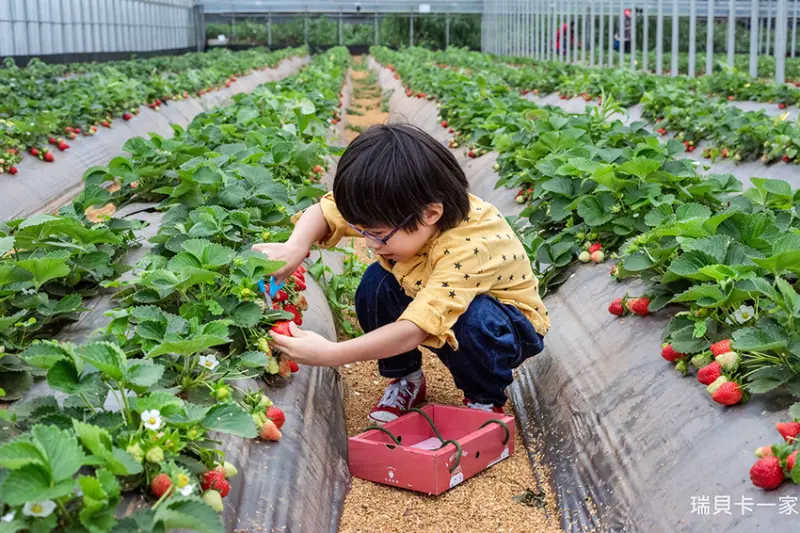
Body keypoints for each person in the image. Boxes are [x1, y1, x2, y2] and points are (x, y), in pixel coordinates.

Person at [252, 124, 550, 424]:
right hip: (426, 288)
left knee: (472, 322)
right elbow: (324, 211)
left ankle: (484, 400)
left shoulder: (469, 247)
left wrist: (331, 353)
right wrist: (295, 246)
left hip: (507, 326)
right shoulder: (397, 201)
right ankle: (406, 379)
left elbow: (415, 329)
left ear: (431, 214)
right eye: (362, 231)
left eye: (378, 234)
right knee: (374, 285)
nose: (369, 242)